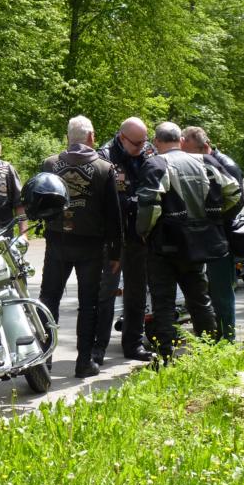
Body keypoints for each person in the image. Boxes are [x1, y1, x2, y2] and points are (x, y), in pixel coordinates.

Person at [136, 121, 241, 362]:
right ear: (180, 140)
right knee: (200, 299)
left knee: (163, 303)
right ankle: (209, 353)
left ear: (156, 141)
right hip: (200, 245)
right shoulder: (206, 161)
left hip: (165, 245)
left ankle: (166, 358)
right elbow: (234, 193)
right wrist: (214, 219)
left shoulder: (156, 164)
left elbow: (149, 204)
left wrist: (143, 231)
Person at [39, 115, 122, 378]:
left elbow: (38, 203)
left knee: (48, 300)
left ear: (68, 137)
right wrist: (116, 251)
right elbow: (114, 215)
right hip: (91, 246)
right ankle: (84, 362)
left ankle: (43, 361)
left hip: (57, 242)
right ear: (91, 137)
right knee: (88, 304)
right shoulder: (104, 168)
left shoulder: (50, 164)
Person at [94, 117, 155, 364]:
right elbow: (103, 199)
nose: (142, 147)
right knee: (106, 292)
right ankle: (97, 348)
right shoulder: (104, 156)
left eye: (144, 141)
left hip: (139, 233)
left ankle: (133, 344)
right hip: (113, 235)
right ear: (122, 138)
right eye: (136, 143)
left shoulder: (148, 152)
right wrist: (132, 202)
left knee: (137, 291)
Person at [181, 126, 243, 342]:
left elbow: (236, 201)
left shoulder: (226, 165)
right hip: (204, 236)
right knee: (204, 290)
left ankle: (227, 339)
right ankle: (211, 337)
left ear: (203, 146)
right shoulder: (201, 163)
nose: (185, 156)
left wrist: (212, 219)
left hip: (220, 237)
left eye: (188, 150)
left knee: (221, 291)